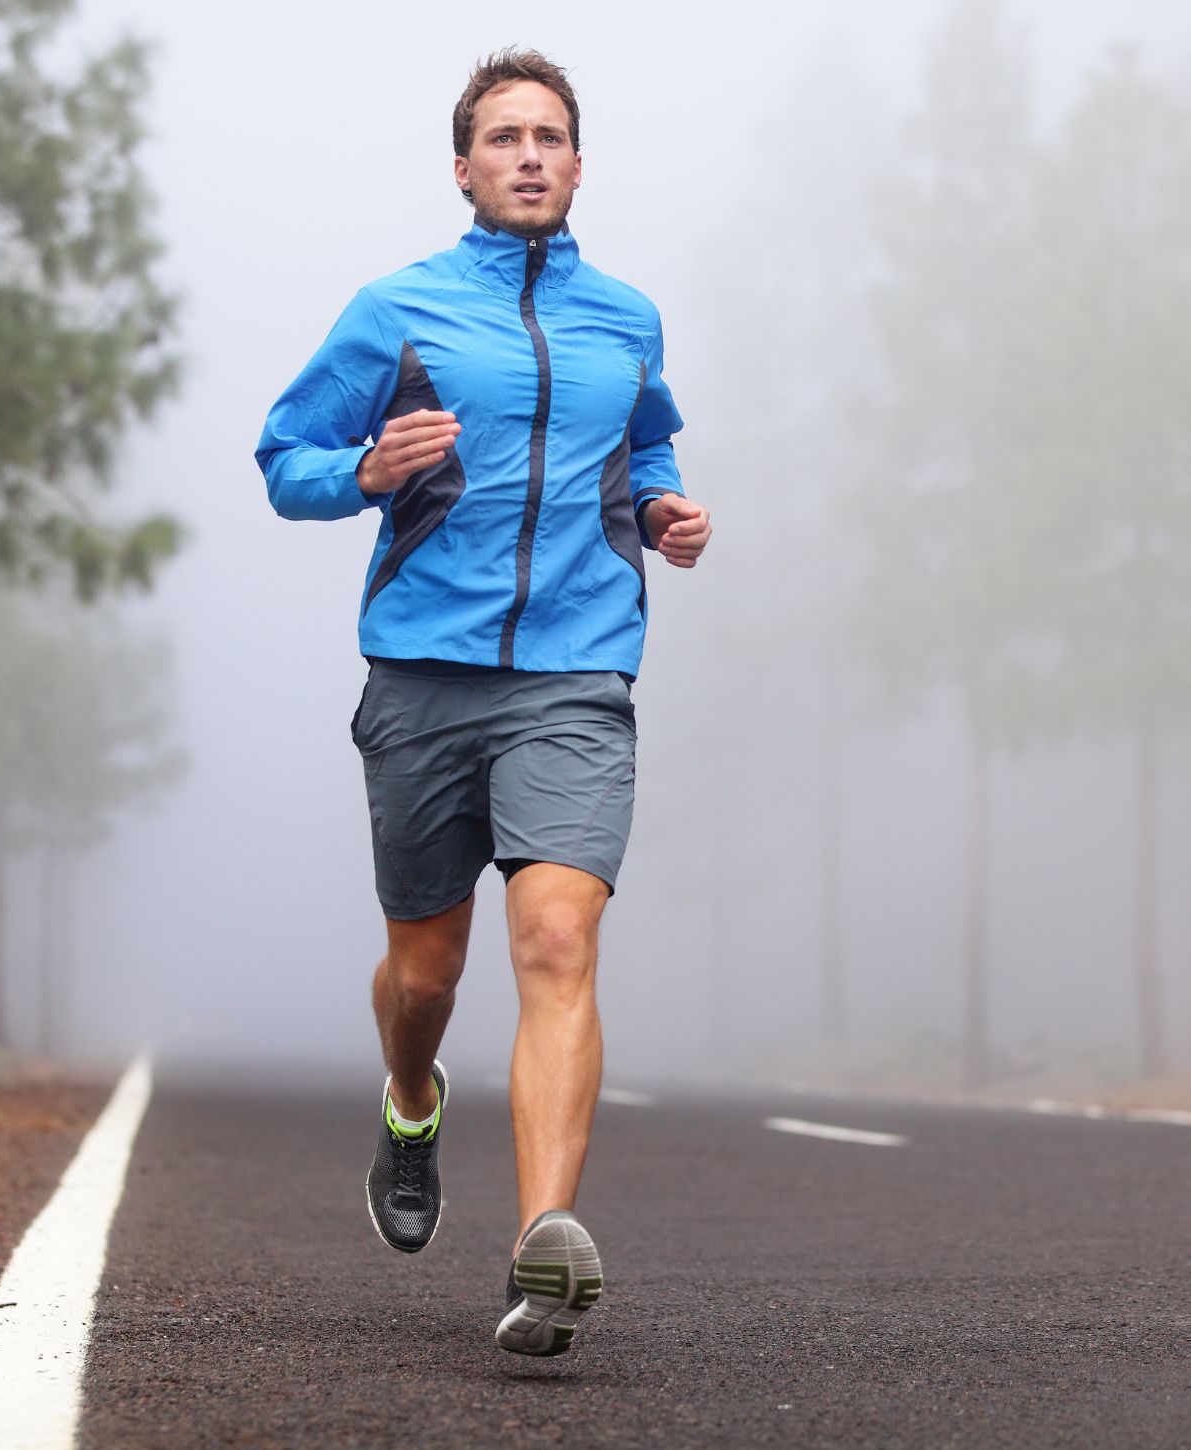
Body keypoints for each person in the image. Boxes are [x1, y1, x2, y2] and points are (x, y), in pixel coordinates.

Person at [255, 48, 711, 1357]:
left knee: (559, 940)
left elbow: (649, 440)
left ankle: (543, 1244)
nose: (527, 155)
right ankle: (410, 1097)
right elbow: (284, 462)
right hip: (423, 675)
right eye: (503, 137)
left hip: (576, 670)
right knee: (427, 968)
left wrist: (667, 506)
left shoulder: (627, 318)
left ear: (577, 163)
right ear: (463, 168)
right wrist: (361, 466)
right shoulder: (394, 310)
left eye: (549, 137)